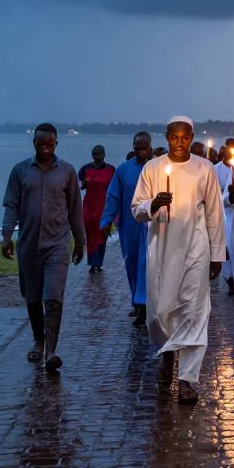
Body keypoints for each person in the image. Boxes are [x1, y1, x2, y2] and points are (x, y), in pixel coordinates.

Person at [131, 117, 226, 405]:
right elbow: (136, 208)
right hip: (162, 248)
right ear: (168, 137)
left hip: (196, 248)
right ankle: (168, 353)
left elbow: (214, 213)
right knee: (160, 311)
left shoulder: (204, 168)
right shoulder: (153, 168)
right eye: (175, 138)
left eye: (186, 138)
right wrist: (154, 205)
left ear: (192, 137)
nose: (180, 143)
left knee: (195, 311)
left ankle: (187, 380)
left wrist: (217, 253)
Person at [0, 124, 86, 372]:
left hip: (57, 244)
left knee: (54, 298)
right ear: (34, 143)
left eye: (50, 142)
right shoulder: (20, 171)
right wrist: (7, 236)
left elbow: (74, 211)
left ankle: (51, 351)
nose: (46, 146)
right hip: (28, 244)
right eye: (41, 142)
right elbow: (11, 207)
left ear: (56, 143)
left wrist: (79, 241)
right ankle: (39, 339)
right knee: (33, 297)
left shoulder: (68, 172)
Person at [102, 132, 154, 326]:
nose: (141, 150)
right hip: (130, 225)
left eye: (144, 146)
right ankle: (137, 300)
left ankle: (144, 307)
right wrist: (106, 221)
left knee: (146, 264)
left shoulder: (159, 168)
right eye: (137, 146)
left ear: (150, 147)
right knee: (132, 262)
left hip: (153, 225)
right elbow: (113, 196)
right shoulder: (123, 170)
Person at [79, 145, 116, 273]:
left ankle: (98, 262)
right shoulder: (85, 169)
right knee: (91, 235)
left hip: (104, 207)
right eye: (95, 153)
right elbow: (82, 184)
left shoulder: (111, 170)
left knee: (102, 235)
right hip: (89, 207)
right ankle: (92, 263)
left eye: (100, 153)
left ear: (104, 154)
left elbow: (114, 189)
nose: (97, 156)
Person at [213, 138, 234, 297]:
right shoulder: (216, 170)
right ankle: (230, 282)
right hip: (224, 214)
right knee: (227, 249)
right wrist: (228, 193)